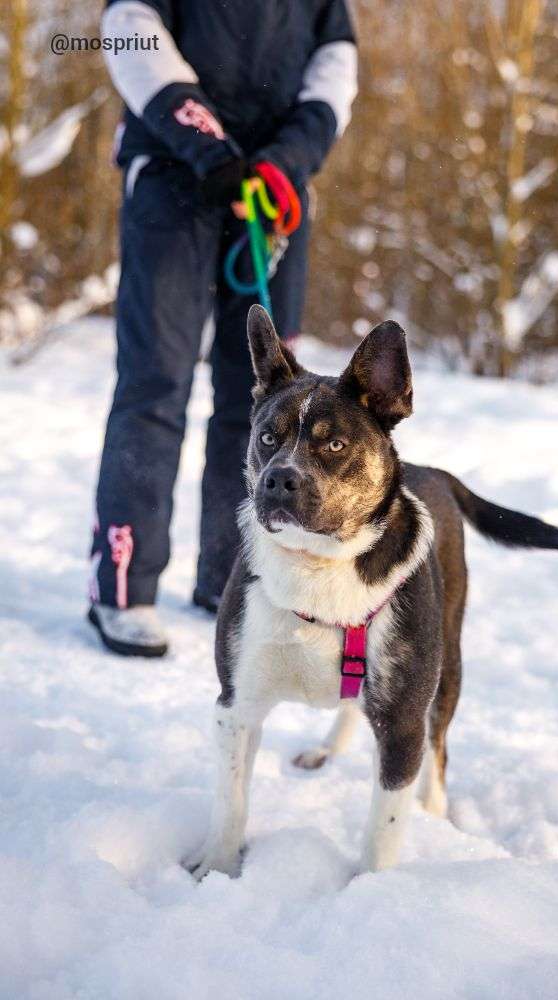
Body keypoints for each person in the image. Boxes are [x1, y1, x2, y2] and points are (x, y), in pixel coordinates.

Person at [88, 0, 357, 657]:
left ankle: (232, 580)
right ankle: (123, 586)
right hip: (173, 176)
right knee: (155, 385)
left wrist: (287, 157)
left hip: (273, 193)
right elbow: (130, 29)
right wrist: (206, 144)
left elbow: (336, 63)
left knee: (263, 399)